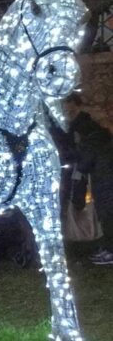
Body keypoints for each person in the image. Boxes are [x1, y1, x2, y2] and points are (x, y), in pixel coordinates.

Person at [61, 94, 113, 263]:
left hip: (104, 177)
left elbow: (85, 155)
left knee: (107, 212)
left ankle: (110, 251)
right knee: (105, 213)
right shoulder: (89, 128)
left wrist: (78, 168)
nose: (67, 111)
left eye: (69, 107)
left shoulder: (84, 129)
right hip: (102, 174)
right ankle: (107, 248)